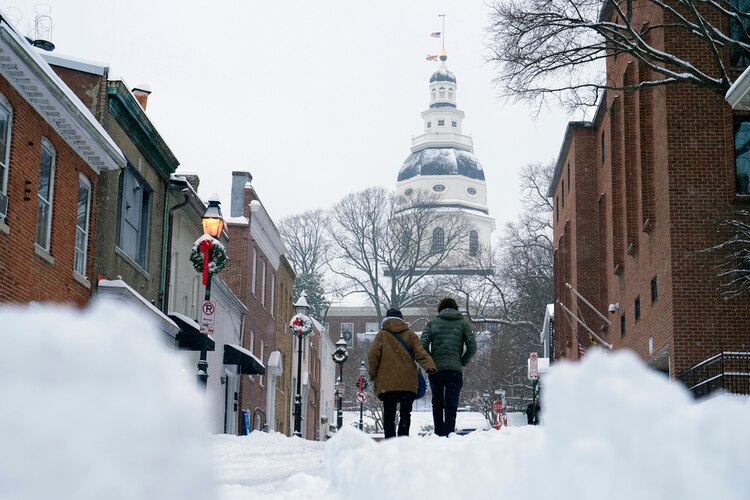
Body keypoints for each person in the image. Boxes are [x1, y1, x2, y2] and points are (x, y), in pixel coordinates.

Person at [368, 308, 437, 439]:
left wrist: (373, 375)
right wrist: (430, 367)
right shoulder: (410, 335)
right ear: (402, 320)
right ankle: (403, 440)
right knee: (406, 413)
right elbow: (420, 353)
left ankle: (390, 441)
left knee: (389, 413)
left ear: (386, 320)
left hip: (387, 383)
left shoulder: (381, 335)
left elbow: (373, 356)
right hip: (408, 383)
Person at [420, 298, 477, 437]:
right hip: (454, 370)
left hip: (436, 370)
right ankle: (450, 433)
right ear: (455, 309)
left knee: (437, 402)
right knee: (452, 403)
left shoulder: (432, 323)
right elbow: (472, 347)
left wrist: (430, 363)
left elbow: (422, 346)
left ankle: (439, 433)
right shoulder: (463, 324)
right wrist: (462, 361)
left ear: (440, 309)